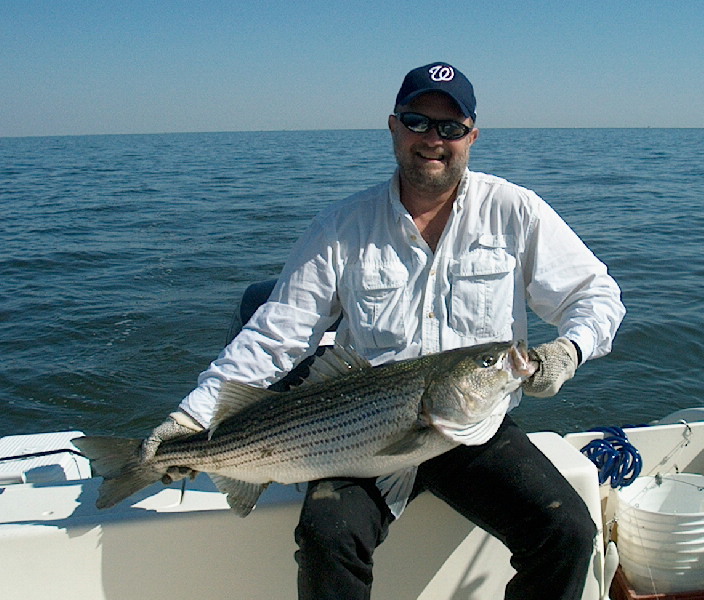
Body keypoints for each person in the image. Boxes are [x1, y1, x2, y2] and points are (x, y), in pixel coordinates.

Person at [143, 62, 625, 599]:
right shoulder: (342, 226)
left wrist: (571, 349)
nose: (433, 140)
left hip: (472, 429)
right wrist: (188, 418)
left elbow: (596, 295)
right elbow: (275, 335)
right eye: (418, 122)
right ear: (393, 126)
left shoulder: (513, 211)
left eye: (450, 127)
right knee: (327, 536)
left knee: (568, 530)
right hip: (361, 430)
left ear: (472, 136)